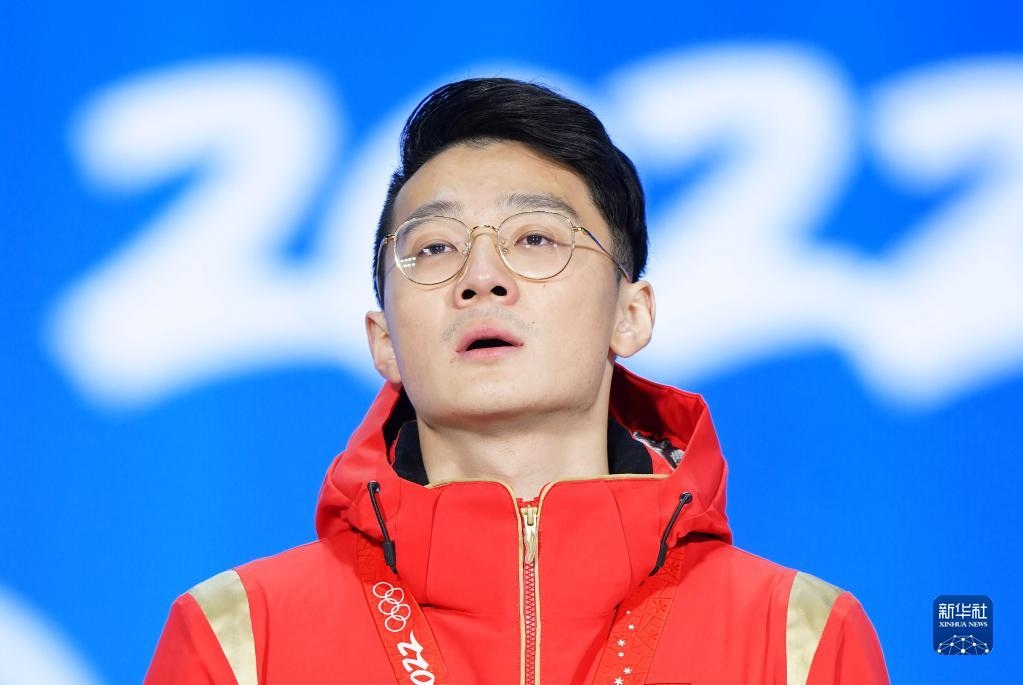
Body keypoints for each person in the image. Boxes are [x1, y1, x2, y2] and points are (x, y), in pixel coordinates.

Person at [145, 77, 889, 684]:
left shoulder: (797, 638)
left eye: (534, 238)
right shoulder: (240, 638)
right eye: (434, 248)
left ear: (630, 314)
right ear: (384, 342)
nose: (481, 277)